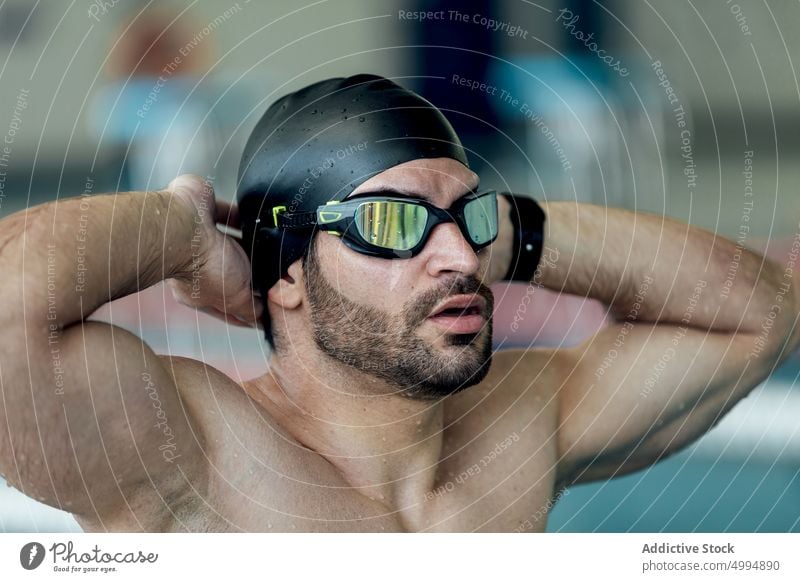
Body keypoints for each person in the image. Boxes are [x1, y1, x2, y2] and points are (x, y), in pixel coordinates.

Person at [1, 75, 797, 532]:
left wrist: (515, 230)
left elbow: (760, 311)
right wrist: (180, 230)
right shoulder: (188, 453)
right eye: (392, 222)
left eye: (469, 218)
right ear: (288, 275)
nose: (458, 259)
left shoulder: (517, 432)